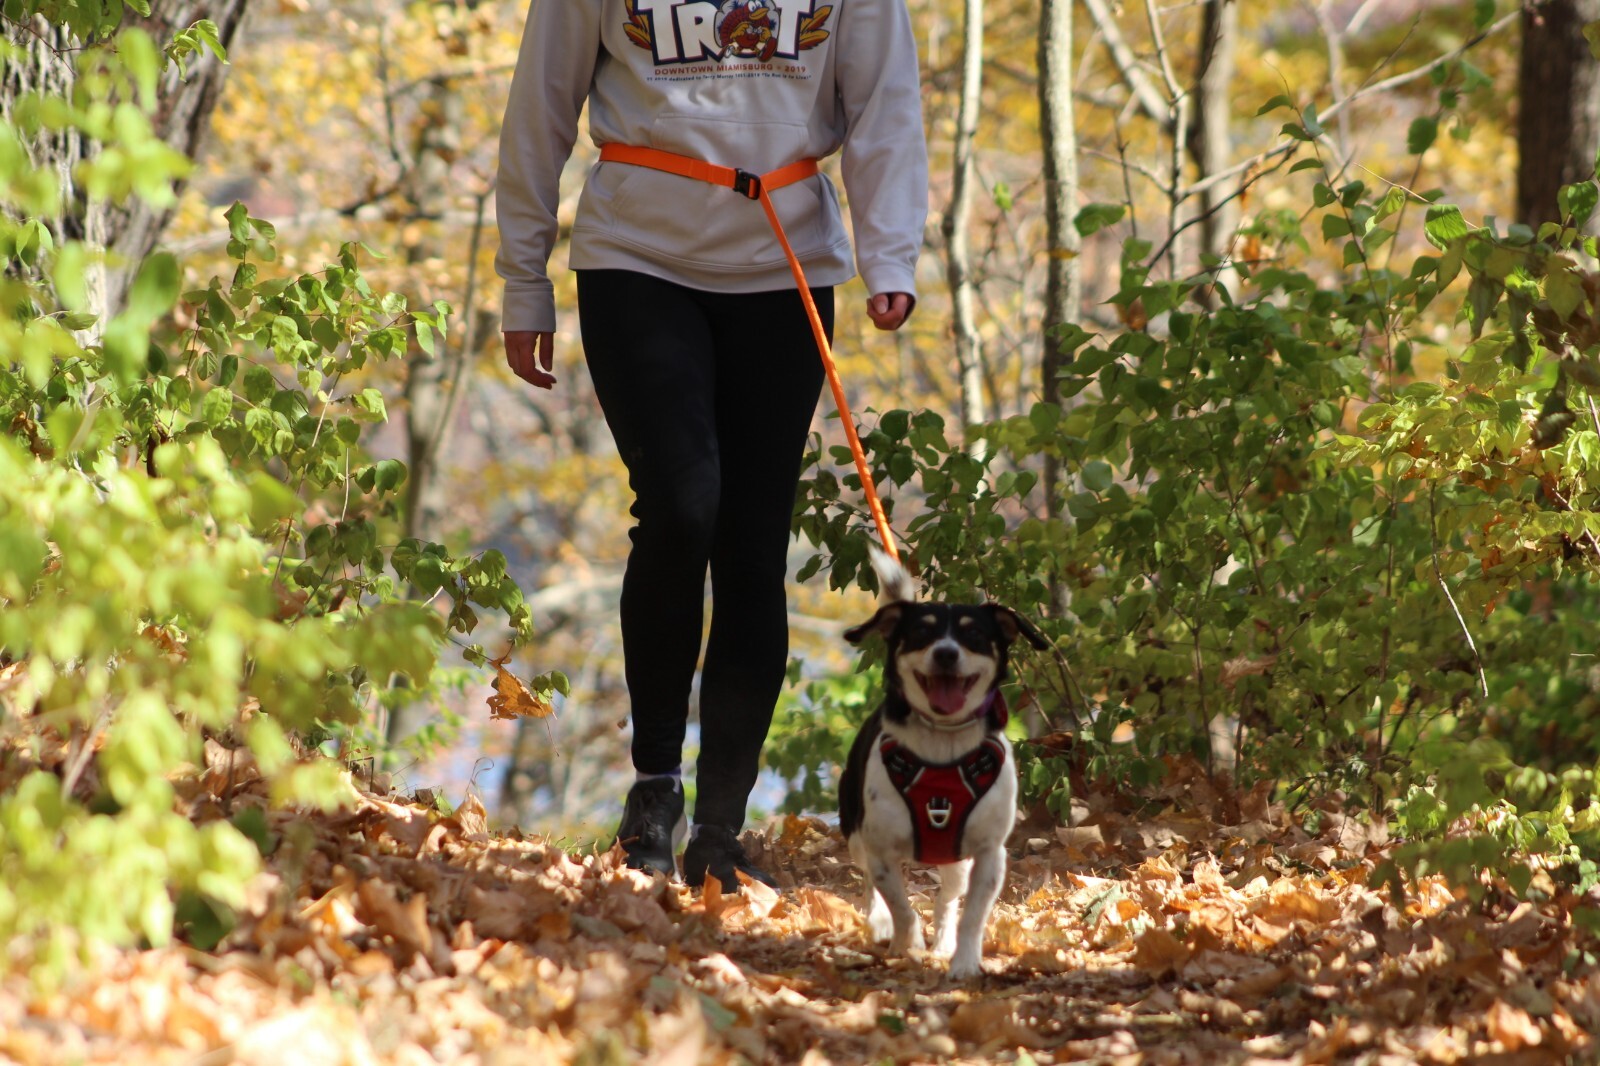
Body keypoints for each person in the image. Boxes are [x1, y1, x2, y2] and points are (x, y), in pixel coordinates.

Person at [495, 0, 928, 890]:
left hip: (786, 260)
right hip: (636, 256)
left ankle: (721, 828)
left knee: (752, 542)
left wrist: (891, 253)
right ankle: (655, 788)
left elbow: (885, 100)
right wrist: (521, 283)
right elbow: (540, 106)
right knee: (683, 505)